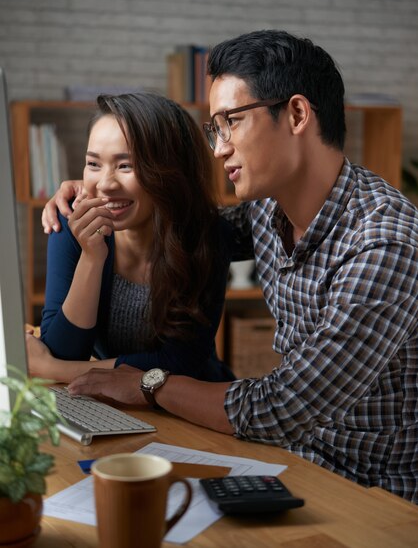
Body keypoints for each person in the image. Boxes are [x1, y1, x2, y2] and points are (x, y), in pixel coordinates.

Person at [41, 30, 418, 503]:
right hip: (289, 458)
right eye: (214, 128)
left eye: (231, 122)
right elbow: (186, 225)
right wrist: (99, 190)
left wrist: (149, 383)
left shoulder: (384, 244)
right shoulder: (266, 209)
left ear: (297, 114)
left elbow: (282, 406)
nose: (219, 148)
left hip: (375, 492)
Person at [28, 91, 236, 384]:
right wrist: (92, 257)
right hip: (110, 401)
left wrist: (52, 370)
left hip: (189, 407)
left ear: (170, 172)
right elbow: (65, 351)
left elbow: (177, 365)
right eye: (93, 164)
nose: (105, 184)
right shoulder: (74, 222)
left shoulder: (206, 237)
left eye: (126, 165)